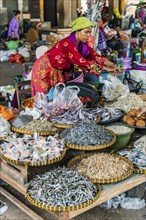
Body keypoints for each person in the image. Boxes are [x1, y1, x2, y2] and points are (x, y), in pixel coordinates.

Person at [31, 17, 121, 96]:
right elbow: (82, 63)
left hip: (58, 70)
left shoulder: (82, 45)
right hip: (45, 69)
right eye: (86, 32)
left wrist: (112, 65)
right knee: (44, 99)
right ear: (77, 32)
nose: (88, 35)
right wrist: (105, 68)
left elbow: (95, 56)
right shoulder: (67, 44)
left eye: (90, 32)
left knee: (57, 98)